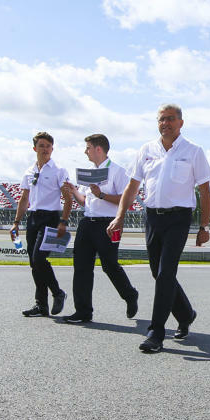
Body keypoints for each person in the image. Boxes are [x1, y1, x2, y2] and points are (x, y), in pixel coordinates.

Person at [108, 104, 210, 354]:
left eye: (170, 119)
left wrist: (204, 226)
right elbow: (132, 186)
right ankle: (186, 314)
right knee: (158, 273)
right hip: (152, 218)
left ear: (180, 122)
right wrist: (120, 215)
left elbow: (205, 191)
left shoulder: (193, 151)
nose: (165, 123)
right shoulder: (146, 150)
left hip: (178, 218)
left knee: (166, 273)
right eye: (161, 119)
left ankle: (156, 332)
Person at [61, 134, 139, 324]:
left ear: (98, 149)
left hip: (109, 223)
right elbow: (86, 202)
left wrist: (102, 194)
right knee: (81, 267)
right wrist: (73, 191)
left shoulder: (118, 171)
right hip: (88, 222)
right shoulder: (89, 173)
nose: (85, 151)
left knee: (110, 265)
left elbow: (127, 200)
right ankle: (83, 311)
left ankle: (130, 295)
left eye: (87, 147)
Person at [11, 132, 72, 317]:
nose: (45, 149)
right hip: (33, 218)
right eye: (42, 145)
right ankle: (41, 305)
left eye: (48, 146)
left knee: (39, 259)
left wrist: (63, 221)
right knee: (34, 263)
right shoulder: (29, 171)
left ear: (52, 148)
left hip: (51, 218)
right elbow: (24, 198)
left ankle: (58, 293)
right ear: (35, 148)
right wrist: (16, 223)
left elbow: (68, 199)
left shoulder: (59, 170)